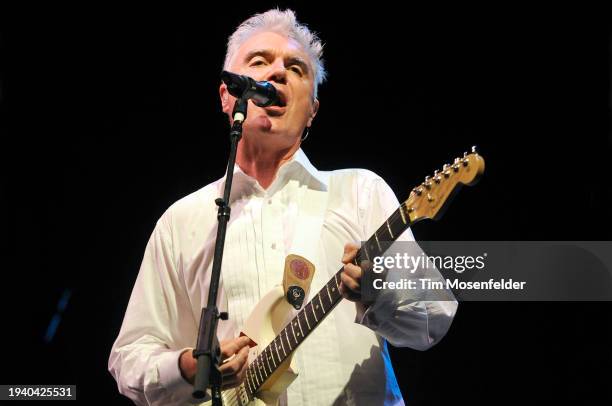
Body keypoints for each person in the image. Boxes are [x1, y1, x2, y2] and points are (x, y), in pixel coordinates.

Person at [108, 8, 457, 406]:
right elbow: (130, 355)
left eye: (296, 68)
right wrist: (189, 367)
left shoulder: (361, 191)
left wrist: (377, 292)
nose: (277, 73)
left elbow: (433, 316)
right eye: (259, 61)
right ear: (227, 95)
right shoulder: (181, 221)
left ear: (312, 110)